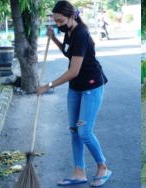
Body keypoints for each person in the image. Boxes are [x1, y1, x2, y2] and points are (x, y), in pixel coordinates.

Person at [36, 1, 111, 186]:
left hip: (91, 88)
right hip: (76, 88)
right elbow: (69, 53)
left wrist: (49, 85)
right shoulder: (69, 33)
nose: (58, 24)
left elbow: (73, 71)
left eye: (60, 21)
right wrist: (54, 38)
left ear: (72, 17)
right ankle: (79, 172)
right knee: (74, 131)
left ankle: (103, 167)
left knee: (84, 132)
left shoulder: (81, 35)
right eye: (55, 21)